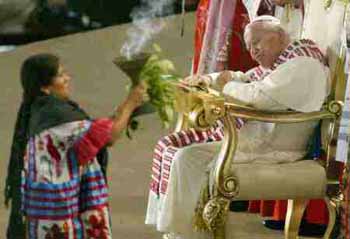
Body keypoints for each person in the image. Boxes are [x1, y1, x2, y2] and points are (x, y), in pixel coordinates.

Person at [145, 15, 329, 239]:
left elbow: (258, 96)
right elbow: (245, 78)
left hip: (276, 150)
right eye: (250, 46)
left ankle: (182, 234)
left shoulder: (303, 65)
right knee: (179, 152)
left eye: (257, 42)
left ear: (279, 36)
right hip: (258, 142)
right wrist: (207, 80)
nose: (253, 52)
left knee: (187, 158)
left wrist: (224, 85)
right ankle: (182, 233)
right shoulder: (286, 61)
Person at [4, 53, 147, 238]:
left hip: (47, 210)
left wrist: (124, 110)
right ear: (45, 87)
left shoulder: (43, 110)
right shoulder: (56, 117)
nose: (67, 78)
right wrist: (130, 103)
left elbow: (92, 132)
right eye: (61, 75)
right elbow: (108, 136)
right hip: (57, 212)